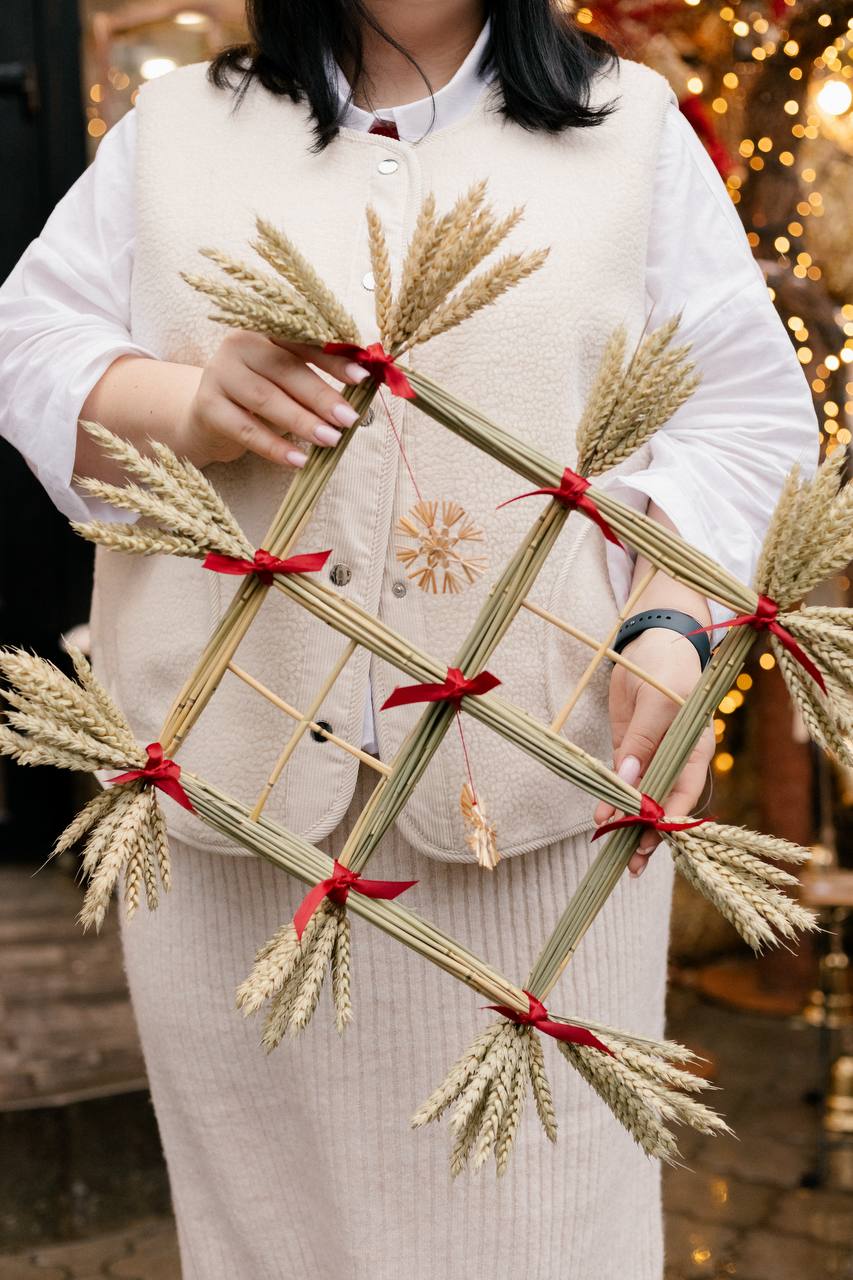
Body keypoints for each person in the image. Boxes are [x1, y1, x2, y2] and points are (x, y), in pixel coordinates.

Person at [0, 3, 817, 1276]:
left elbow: (742, 416)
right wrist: (191, 402)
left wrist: (669, 614)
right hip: (231, 827)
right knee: (268, 1241)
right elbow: (32, 347)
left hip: (538, 818)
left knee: (542, 1237)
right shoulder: (177, 127)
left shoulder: (631, 129)